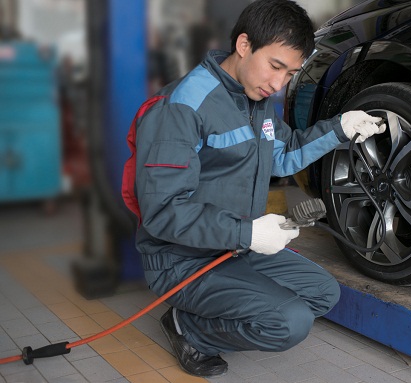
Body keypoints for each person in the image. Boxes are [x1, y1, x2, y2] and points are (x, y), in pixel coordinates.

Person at [121, 0, 386, 378]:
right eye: (275, 66)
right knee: (289, 322)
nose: (279, 84)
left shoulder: (256, 99)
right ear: (244, 45)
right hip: (181, 260)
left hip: (235, 246)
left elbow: (283, 155)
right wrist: (247, 231)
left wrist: (340, 128)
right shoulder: (182, 107)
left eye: (291, 73)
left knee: (323, 293)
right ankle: (188, 327)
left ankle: (218, 302)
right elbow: (162, 212)